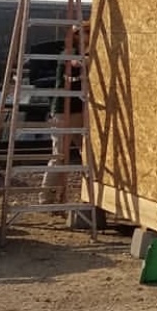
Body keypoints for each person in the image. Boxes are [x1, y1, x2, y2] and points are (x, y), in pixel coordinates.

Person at [41, 20, 89, 204]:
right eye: (84, 33)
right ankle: (46, 197)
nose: (87, 37)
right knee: (59, 156)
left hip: (79, 111)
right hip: (63, 111)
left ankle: (87, 195)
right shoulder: (68, 53)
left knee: (87, 155)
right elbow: (75, 64)